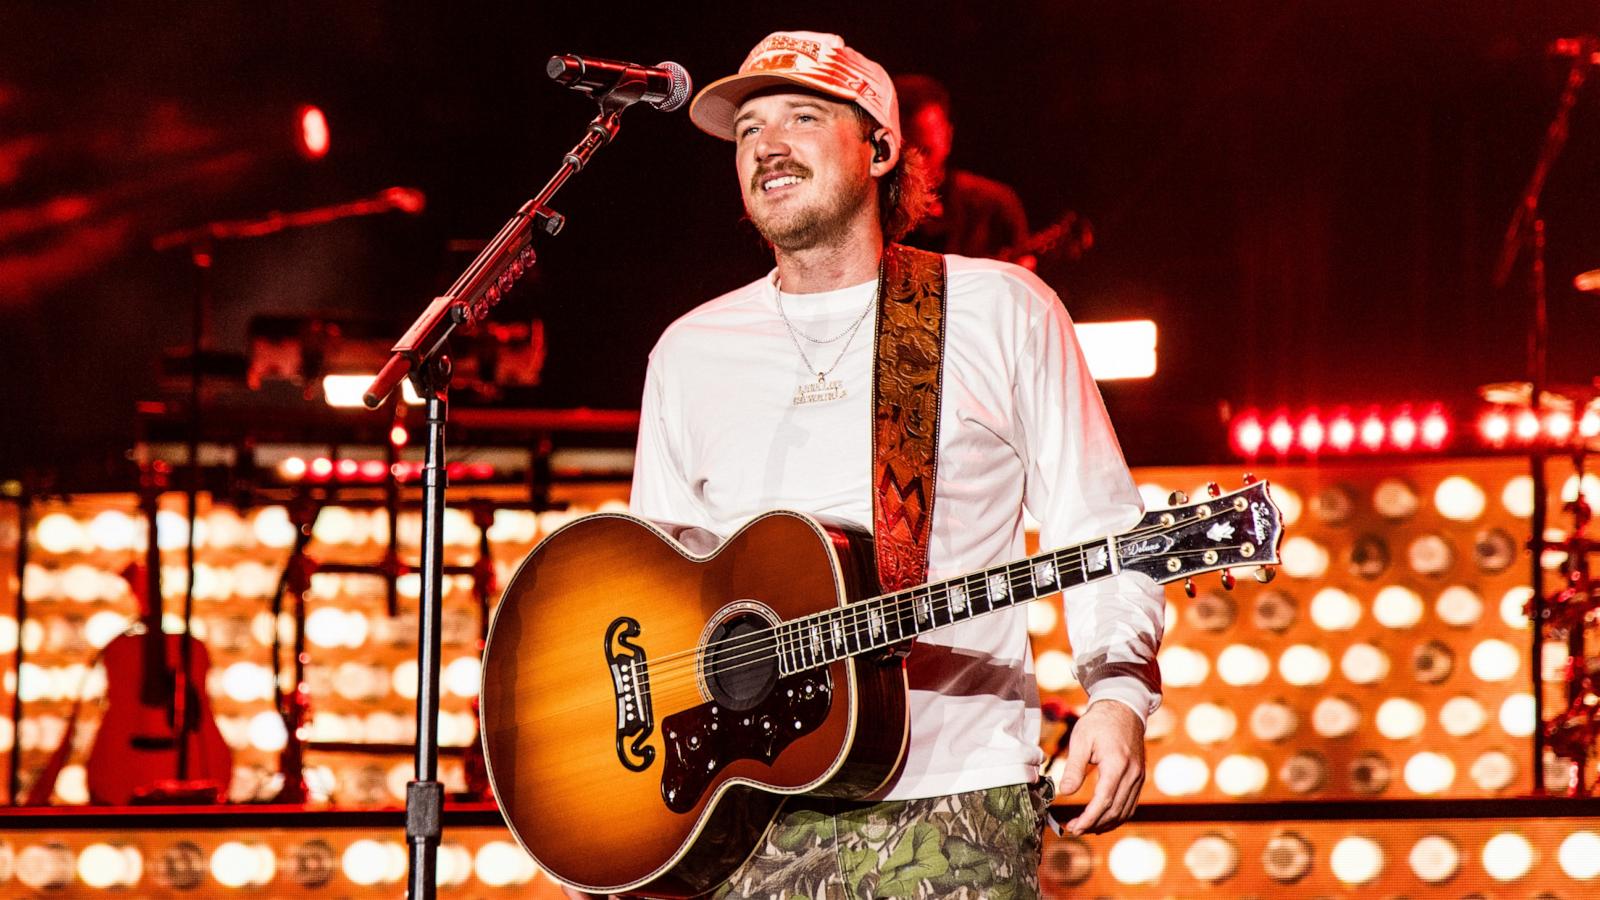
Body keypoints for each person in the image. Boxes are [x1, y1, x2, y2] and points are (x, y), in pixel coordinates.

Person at [628, 30, 1163, 898]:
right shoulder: (690, 352)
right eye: (750, 127)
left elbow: (1100, 526)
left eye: (803, 116)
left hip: (948, 801)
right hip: (745, 813)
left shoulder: (1000, 310)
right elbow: (652, 585)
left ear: (881, 148)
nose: (767, 143)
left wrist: (1118, 692)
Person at [893, 73, 1032, 264]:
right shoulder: (867, 212)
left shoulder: (995, 206)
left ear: (948, 138)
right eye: (903, 154)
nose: (916, 166)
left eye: (925, 151)